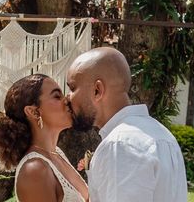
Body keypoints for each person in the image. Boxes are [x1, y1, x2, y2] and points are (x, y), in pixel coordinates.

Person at [67, 47, 187, 202]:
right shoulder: (162, 133)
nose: (68, 97)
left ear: (97, 90)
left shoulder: (120, 144)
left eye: (72, 88)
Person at [0, 74, 88, 202]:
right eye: (57, 96)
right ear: (33, 112)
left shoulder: (57, 154)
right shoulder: (34, 170)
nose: (67, 100)